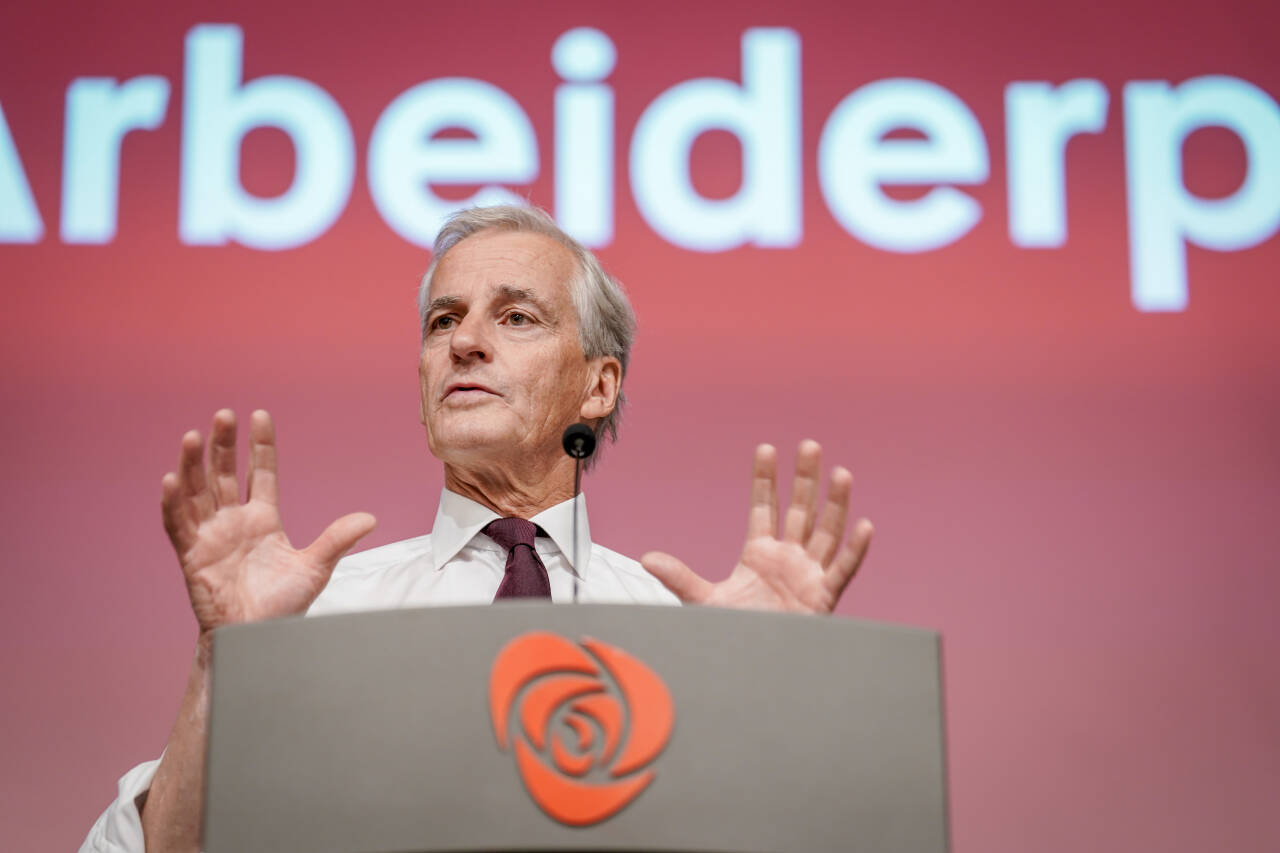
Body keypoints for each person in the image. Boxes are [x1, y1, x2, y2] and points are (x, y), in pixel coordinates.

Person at [79, 204, 874, 853]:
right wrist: (226, 662)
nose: (463, 340)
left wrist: (778, 700)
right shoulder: (309, 616)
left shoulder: (685, 638)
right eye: (442, 320)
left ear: (597, 384)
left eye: (517, 315)